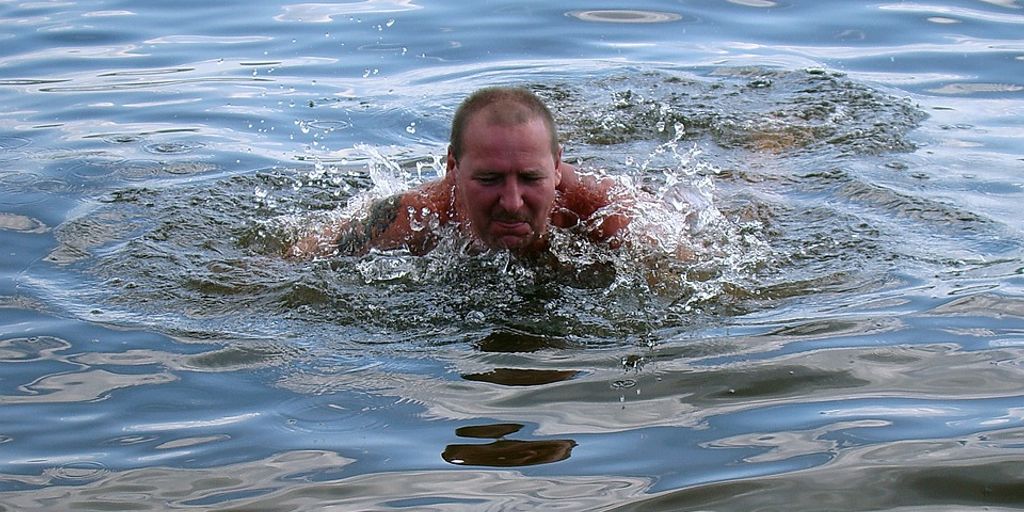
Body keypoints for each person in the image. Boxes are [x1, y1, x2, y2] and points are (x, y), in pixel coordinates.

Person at [288, 86, 630, 259]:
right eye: (489, 179)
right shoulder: (414, 216)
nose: (512, 202)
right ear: (453, 167)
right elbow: (293, 261)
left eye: (530, 178)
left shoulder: (604, 212)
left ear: (556, 168)